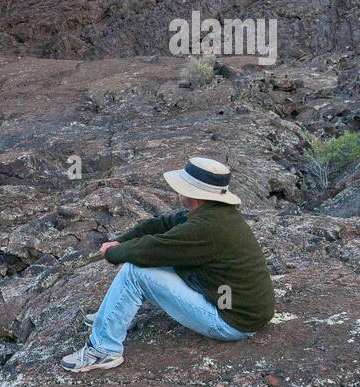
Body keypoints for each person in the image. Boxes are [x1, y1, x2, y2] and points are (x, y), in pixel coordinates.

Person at [60, 157, 275, 372]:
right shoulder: (215, 213)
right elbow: (160, 225)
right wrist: (121, 240)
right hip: (235, 305)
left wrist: (114, 252)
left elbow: (151, 249)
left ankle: (103, 351)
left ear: (192, 193)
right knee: (142, 267)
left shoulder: (205, 228)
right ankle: (109, 317)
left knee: (135, 272)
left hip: (232, 322)